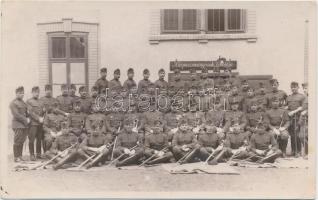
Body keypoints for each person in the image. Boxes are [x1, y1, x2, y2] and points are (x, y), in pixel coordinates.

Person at [10, 86, 30, 162]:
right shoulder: (13, 103)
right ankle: (16, 157)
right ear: (16, 93)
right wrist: (26, 120)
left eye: (23, 93)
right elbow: (16, 115)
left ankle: (20, 156)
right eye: (20, 93)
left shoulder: (23, 103)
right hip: (17, 124)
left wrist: (29, 117)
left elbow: (26, 112)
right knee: (17, 140)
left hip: (24, 125)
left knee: (22, 140)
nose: (22, 94)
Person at [286, 82, 306, 157]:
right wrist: (288, 111)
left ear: (298, 87)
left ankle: (299, 151)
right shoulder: (288, 97)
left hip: (298, 118)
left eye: (295, 87)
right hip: (290, 118)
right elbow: (287, 107)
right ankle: (293, 150)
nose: (293, 88)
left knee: (297, 134)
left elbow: (303, 107)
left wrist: (295, 111)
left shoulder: (302, 96)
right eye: (292, 87)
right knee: (292, 135)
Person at [26, 86, 45, 160]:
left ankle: (38, 154)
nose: (37, 94)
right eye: (35, 92)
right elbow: (30, 112)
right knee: (32, 139)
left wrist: (43, 116)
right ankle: (32, 154)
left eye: (38, 92)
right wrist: (38, 118)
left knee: (39, 139)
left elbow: (43, 112)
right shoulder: (29, 101)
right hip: (33, 123)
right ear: (32, 93)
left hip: (40, 123)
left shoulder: (41, 101)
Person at [299, 83, 308, 157]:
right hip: (303, 120)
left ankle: (309, 153)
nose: (305, 90)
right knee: (301, 136)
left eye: (306, 88)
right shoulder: (304, 98)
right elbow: (302, 109)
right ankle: (308, 151)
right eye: (304, 88)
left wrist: (307, 111)